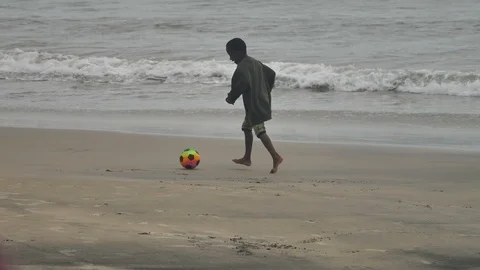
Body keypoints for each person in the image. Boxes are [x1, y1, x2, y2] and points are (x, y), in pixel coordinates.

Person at [225, 38, 283, 173]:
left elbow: (242, 83)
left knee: (259, 130)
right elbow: (271, 74)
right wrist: (265, 90)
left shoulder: (243, 66)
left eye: (231, 54)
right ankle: (247, 158)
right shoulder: (255, 62)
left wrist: (231, 97)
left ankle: (276, 156)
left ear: (238, 52)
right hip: (260, 100)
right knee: (246, 127)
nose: (230, 58)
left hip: (254, 104)